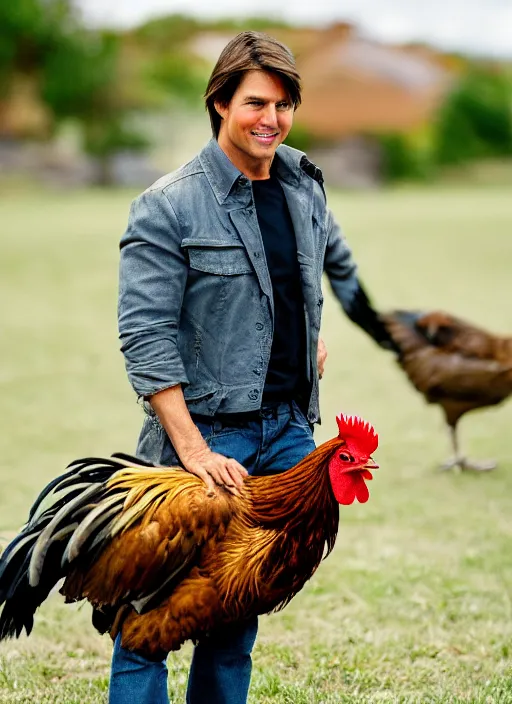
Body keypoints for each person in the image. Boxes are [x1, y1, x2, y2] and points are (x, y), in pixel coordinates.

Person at [113, 30, 394, 704]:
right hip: (210, 436)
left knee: (236, 617)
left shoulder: (303, 185)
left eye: (284, 104)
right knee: (147, 616)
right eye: (256, 103)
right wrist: (191, 448)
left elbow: (299, 284)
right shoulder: (169, 204)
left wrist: (307, 343)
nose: (271, 119)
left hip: (291, 435)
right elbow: (145, 335)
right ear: (219, 103)